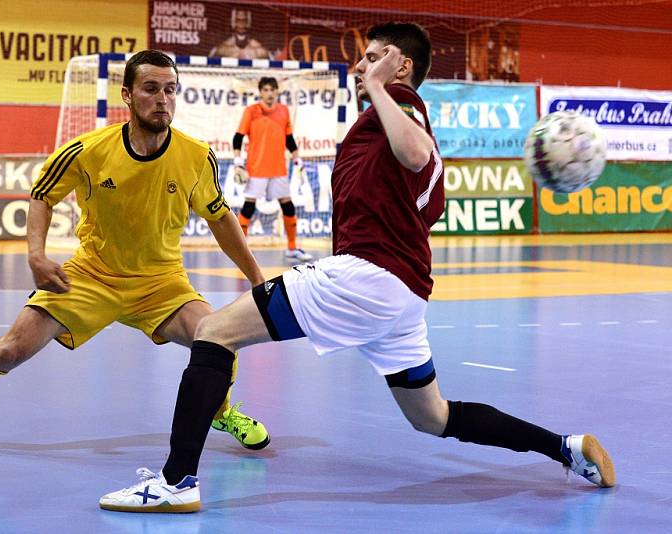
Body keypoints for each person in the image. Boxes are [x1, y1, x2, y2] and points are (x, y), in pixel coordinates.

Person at [98, 23, 616, 513]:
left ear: (402, 66)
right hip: (402, 297)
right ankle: (567, 448)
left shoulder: (404, 109)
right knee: (433, 417)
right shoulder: (394, 131)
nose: (360, 65)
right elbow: (419, 187)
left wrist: (378, 86)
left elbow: (414, 153)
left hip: (363, 278)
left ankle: (175, 483)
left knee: (213, 333)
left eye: (373, 57)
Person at [0, 50, 271, 455]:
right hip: (90, 277)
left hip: (161, 283)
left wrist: (256, 278)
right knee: (11, 350)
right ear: (127, 96)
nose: (162, 99)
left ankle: (221, 411)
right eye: (151, 89)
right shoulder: (87, 150)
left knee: (221, 334)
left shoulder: (196, 156)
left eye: (170, 89)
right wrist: (36, 254)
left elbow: (221, 218)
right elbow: (42, 196)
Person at [233, 77, 313, 263]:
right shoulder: (251, 111)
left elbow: (289, 139)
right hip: (256, 169)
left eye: (272, 90)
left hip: (278, 169)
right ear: (260, 92)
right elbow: (238, 138)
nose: (269, 94)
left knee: (288, 205)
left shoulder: (284, 111)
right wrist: (238, 163)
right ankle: (240, 250)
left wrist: (297, 159)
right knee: (248, 207)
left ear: (277, 92)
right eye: (266, 90)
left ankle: (292, 248)